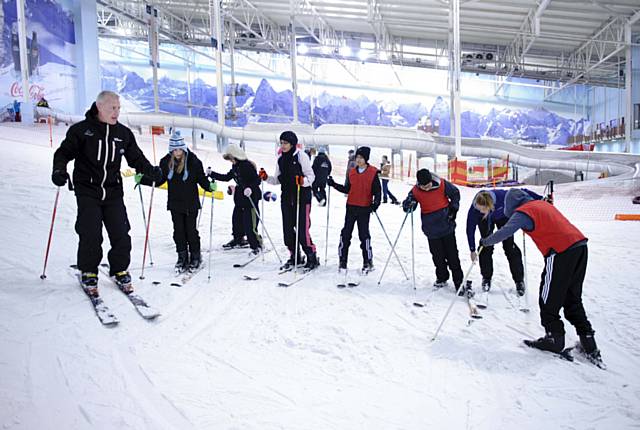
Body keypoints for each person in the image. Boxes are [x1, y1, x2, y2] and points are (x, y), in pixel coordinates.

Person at [51, 90, 162, 295]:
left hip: (112, 190)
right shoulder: (82, 131)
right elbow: (63, 153)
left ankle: (119, 269)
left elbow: (136, 158)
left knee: (121, 232)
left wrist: (151, 171)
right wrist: (59, 170)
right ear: (99, 107)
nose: (116, 112)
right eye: (112, 108)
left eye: (118, 108)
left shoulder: (123, 134)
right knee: (90, 231)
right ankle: (89, 271)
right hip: (87, 189)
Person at [479, 189, 601, 362]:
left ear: (512, 205)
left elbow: (505, 231)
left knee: (547, 298)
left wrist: (486, 241)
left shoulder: (522, 212)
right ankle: (589, 342)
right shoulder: (541, 204)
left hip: (560, 252)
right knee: (572, 298)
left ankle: (554, 338)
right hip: (580, 246)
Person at [137, 131, 215, 273]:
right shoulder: (165, 162)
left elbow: (201, 179)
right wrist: (143, 179)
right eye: (174, 149)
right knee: (178, 231)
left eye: (179, 149)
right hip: (175, 203)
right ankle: (182, 257)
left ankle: (196, 256)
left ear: (183, 148)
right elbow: (159, 180)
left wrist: (209, 186)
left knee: (191, 231)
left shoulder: (193, 161)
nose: (177, 152)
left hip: (191, 203)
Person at [467, 188, 543, 295]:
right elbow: (470, 228)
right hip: (484, 220)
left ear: (490, 205)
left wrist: (541, 199)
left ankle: (519, 280)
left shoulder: (503, 196)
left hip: (503, 216)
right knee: (485, 246)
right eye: (479, 209)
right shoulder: (475, 210)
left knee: (509, 246)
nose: (480, 211)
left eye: (482, 209)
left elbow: (523, 192)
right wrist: (472, 249)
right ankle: (486, 278)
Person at [262, 131, 319, 271]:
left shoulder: (301, 156)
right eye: (281, 143)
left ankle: (312, 256)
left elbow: (311, 176)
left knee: (302, 230)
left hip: (301, 197)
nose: (283, 145)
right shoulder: (280, 159)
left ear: (292, 143)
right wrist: (266, 178)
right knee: (288, 230)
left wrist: (303, 181)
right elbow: (277, 179)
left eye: (285, 143)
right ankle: (295, 256)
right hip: (286, 198)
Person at [402, 168, 463, 292]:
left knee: (452, 256)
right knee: (437, 256)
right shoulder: (416, 191)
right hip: (431, 229)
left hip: (446, 225)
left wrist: (453, 208)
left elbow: (455, 193)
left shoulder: (442, 184)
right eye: (423, 186)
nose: (426, 188)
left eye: (428, 185)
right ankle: (442, 277)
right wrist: (409, 204)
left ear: (431, 180)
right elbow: (407, 205)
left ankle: (459, 281)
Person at [328, 146, 381, 274]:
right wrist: (333, 184)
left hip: (364, 208)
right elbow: (347, 189)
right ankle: (342, 260)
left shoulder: (373, 172)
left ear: (366, 159)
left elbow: (378, 192)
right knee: (346, 234)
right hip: (351, 207)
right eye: (357, 157)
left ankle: (368, 261)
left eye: (361, 158)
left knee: (364, 236)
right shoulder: (352, 172)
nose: (358, 160)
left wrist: (375, 205)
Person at [208, 144, 263, 256]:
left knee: (249, 224)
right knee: (236, 220)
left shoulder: (247, 165)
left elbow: (257, 180)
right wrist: (212, 174)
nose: (230, 161)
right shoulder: (235, 166)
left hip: (250, 198)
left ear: (236, 156)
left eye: (231, 158)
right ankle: (238, 239)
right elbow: (227, 177)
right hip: (240, 198)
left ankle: (256, 244)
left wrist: (250, 188)